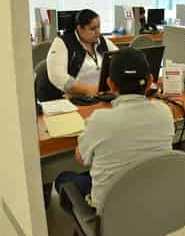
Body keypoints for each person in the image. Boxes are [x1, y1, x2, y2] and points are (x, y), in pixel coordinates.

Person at [54, 48, 175, 213]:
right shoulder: (165, 112)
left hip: (111, 212)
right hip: (152, 201)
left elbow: (82, 159)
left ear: (110, 84)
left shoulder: (99, 121)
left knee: (64, 178)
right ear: (150, 81)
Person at [46, 9, 119, 97]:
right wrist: (89, 90)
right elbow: (58, 77)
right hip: (75, 97)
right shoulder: (63, 42)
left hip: (102, 95)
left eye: (99, 27)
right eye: (92, 29)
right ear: (80, 28)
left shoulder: (102, 41)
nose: (98, 32)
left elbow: (119, 58)